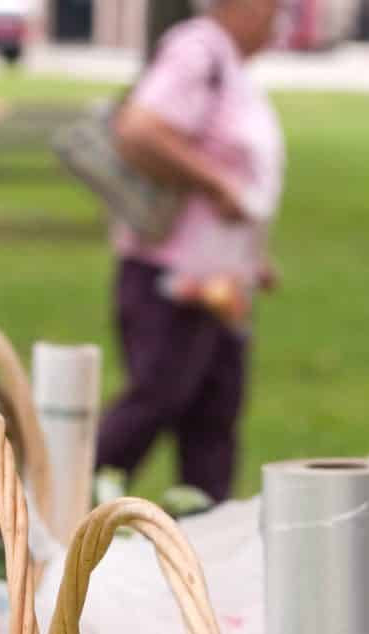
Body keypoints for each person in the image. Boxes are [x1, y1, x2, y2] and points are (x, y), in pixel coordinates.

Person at [95, 0, 285, 504]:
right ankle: (70, 510)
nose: (279, 17)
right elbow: (139, 129)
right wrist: (216, 184)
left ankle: (205, 539)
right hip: (172, 276)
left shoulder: (233, 68)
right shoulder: (198, 51)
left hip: (221, 283)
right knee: (155, 401)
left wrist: (251, 256)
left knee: (213, 419)